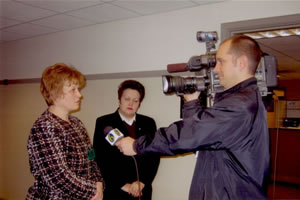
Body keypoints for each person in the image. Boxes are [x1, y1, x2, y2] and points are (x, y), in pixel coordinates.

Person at [116, 35, 270, 200]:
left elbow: (189, 134)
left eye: (221, 62)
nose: (216, 69)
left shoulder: (239, 105)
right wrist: (192, 103)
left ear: (241, 63)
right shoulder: (241, 100)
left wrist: (137, 145)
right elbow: (203, 136)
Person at [26, 63, 104, 200]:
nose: (79, 95)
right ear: (54, 92)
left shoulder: (77, 123)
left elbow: (91, 158)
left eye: (78, 89)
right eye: (73, 90)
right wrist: (93, 191)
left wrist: (99, 184)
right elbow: (59, 177)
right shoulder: (44, 127)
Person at [93, 80, 160, 200]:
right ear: (119, 100)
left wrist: (142, 182)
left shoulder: (148, 123)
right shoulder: (104, 122)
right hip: (115, 190)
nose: (131, 103)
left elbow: (154, 156)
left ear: (139, 103)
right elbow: (100, 158)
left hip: (141, 190)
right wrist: (123, 185)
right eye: (127, 99)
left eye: (135, 101)